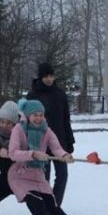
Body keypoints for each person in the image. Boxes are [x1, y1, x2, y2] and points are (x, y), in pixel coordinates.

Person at [7, 99, 98, 215]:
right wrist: (32, 154)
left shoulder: (46, 130)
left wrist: (64, 156)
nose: (38, 118)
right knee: (39, 207)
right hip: (20, 175)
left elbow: (56, 147)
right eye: (35, 115)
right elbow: (13, 153)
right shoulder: (19, 129)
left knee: (56, 210)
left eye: (41, 115)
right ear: (27, 115)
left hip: (38, 175)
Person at [27, 62, 75, 206]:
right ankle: (45, 206)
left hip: (59, 142)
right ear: (40, 77)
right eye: (46, 76)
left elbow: (66, 119)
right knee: (44, 177)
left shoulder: (60, 94)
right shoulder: (33, 95)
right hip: (40, 142)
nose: (49, 79)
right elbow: (25, 121)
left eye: (51, 76)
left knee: (62, 175)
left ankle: (55, 206)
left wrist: (70, 141)